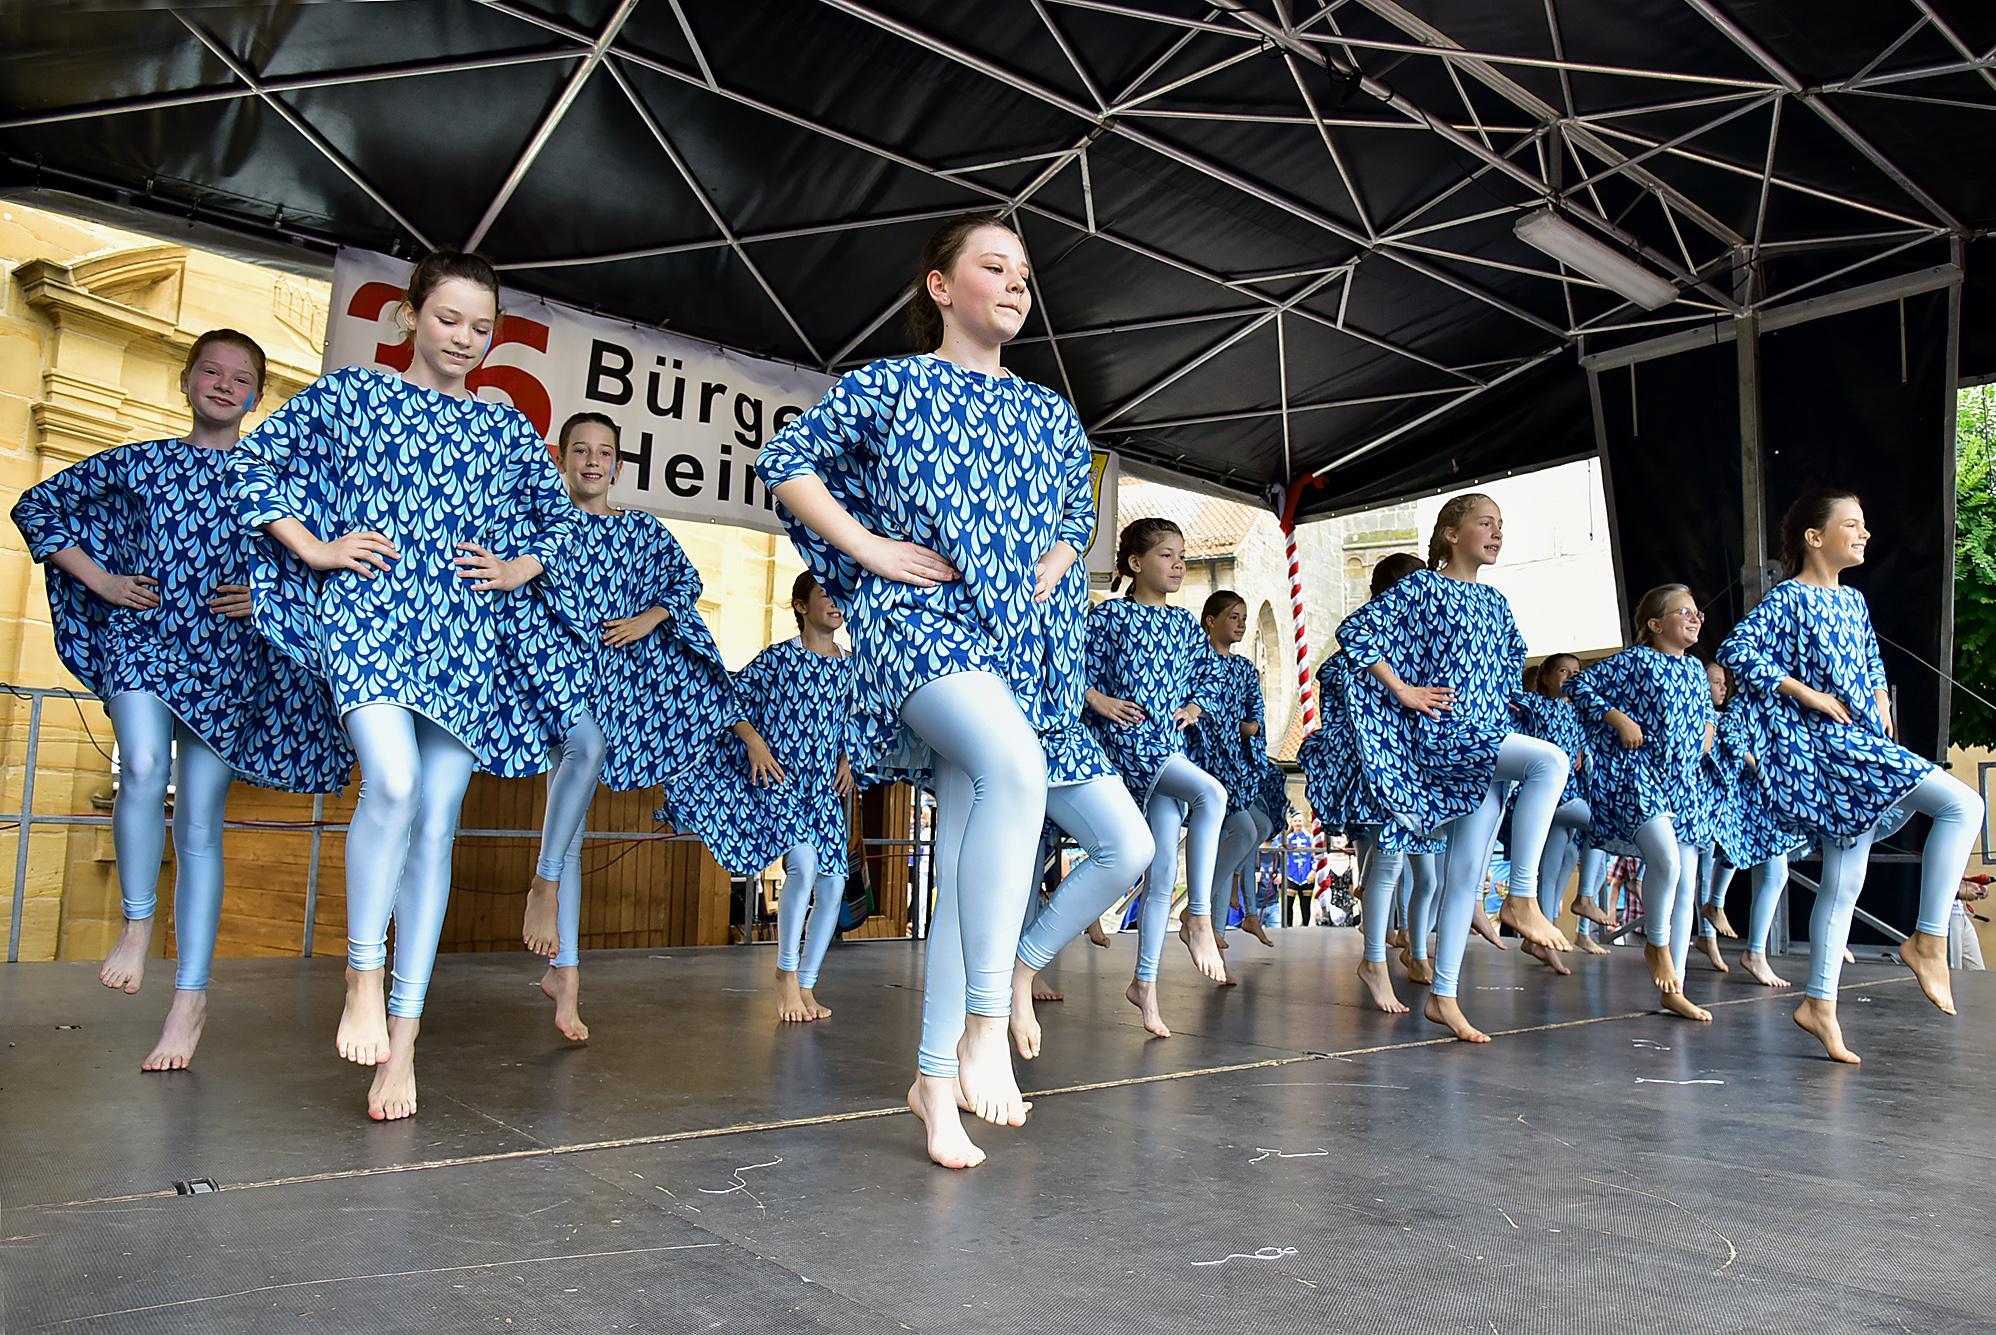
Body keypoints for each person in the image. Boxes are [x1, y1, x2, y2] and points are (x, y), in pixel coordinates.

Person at [756, 214, 1148, 1169]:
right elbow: (785, 463)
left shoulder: (1054, 412)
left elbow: (1072, 513)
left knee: (980, 830)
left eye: (1024, 271)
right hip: (918, 625)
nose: (1016, 283)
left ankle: (933, 1080)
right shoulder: (891, 384)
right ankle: (983, 1018)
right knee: (1013, 772)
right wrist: (868, 547)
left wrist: (1055, 562)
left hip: (1019, 645)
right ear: (941, 286)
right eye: (993, 266)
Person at [231, 248, 586, 1120]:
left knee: (435, 826)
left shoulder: (505, 429)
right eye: (447, 319)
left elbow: (560, 524)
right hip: (372, 617)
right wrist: (314, 546)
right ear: (408, 317)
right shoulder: (354, 396)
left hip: (464, 633)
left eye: (480, 326)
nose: (464, 338)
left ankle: (406, 1038)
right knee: (388, 782)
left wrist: (519, 565)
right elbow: (252, 465)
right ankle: (361, 973)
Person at [11, 330, 350, 1071]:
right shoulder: (143, 461)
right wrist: (101, 581)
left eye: (242, 378)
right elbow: (39, 508)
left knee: (198, 822)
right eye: (212, 372)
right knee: (139, 764)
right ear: (187, 380)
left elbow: (322, 567)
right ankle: (137, 922)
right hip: (143, 632)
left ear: (259, 395)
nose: (225, 386)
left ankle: (189, 997)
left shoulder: (273, 481)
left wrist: (263, 596)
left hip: (226, 656)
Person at [1719, 489, 1984, 1064]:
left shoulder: (1854, 601)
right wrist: (1806, 694)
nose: (1864, 535)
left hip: (1860, 740)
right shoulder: (1788, 598)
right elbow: (1736, 650)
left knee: (1844, 880)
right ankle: (1929, 938)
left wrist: (1882, 710)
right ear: (1815, 538)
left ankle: (1819, 1002)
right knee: (1964, 806)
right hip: (1829, 746)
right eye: (1852, 525)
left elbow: (1869, 664)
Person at [515, 412, 739, 1041]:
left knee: (572, 825)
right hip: (556, 674)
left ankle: (567, 977)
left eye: (604, 451)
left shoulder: (639, 528)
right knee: (584, 750)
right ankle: (544, 884)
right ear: (562, 457)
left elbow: (685, 581)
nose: (592, 461)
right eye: (580, 449)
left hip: (618, 682)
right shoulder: (542, 527)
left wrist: (649, 618)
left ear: (617, 462)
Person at [1336, 494, 1569, 1043]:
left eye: (1501, 525)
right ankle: (1523, 896)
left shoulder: (1496, 603)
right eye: (1485, 523)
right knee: (1548, 761)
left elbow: (1508, 668)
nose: (1497, 532)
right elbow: (1355, 635)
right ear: (1450, 533)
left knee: (1462, 875)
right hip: (1448, 736)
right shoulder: (1421, 588)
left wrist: (1502, 702)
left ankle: (1443, 997)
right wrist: (1403, 690)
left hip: (1482, 740)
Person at [661, 571, 854, 1024]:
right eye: (823, 594)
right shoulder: (777, 660)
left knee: (834, 885)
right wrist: (755, 743)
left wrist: (848, 759)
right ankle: (784, 976)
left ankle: (806, 985)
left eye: (837, 595)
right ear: (802, 606)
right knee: (803, 866)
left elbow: (854, 722)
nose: (834, 601)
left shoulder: (851, 667)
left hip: (822, 789)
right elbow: (729, 702)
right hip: (782, 781)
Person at [1086, 517, 1233, 1036]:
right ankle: (1199, 916)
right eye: (1167, 555)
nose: (1178, 564)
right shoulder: (1106, 618)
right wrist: (1097, 699)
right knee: (1211, 793)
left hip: (1166, 744)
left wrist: (1193, 705)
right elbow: (1069, 667)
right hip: (1127, 741)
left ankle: (1144, 986)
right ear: (1134, 563)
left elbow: (1205, 678)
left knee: (1162, 868)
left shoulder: (1186, 624)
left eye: (1182, 555)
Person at [1568, 585, 1719, 1022]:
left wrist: (1709, 726)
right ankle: (1655, 944)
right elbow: (1581, 686)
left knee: (1686, 884)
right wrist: (1617, 717)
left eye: (1698, 613)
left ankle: (1677, 989)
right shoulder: (1637, 661)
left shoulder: (1694, 670)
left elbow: (1704, 711)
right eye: (1684, 612)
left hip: (1685, 784)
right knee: (1667, 863)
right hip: (1639, 777)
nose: (1695, 619)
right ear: (1656, 624)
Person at [1511, 651, 1611, 980]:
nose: (1570, 677)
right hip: (1553, 797)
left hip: (1570, 795)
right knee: (1605, 823)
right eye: (1563, 672)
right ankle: (1584, 898)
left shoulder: (1578, 712)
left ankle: (1541, 936)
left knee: (1555, 867)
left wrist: (1583, 754)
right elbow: (1510, 699)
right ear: (1546, 678)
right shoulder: (1536, 704)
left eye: (1575, 672)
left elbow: (1585, 746)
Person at [1188, 590, 1276, 964]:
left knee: (1254, 829)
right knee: (1245, 831)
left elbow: (1255, 713)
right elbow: (1196, 705)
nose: (1241, 624)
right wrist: (1221, 724)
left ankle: (1218, 928)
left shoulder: (1243, 669)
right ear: (1211, 620)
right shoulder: (1197, 661)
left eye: (1243, 618)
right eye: (1233, 617)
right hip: (1207, 761)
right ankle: (1203, 910)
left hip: (1237, 764)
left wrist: (1248, 726)